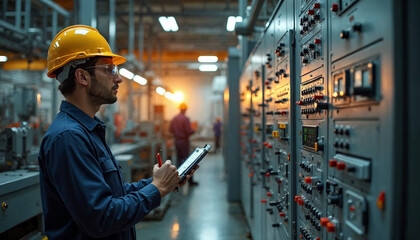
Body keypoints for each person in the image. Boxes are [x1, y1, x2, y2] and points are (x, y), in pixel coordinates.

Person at [38, 25, 196, 240]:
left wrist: (159, 182)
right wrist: (156, 190)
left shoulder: (88, 130)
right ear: (82, 77)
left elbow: (115, 194)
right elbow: (101, 218)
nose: (118, 78)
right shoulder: (69, 138)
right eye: (109, 70)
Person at [169, 103, 197, 185]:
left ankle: (178, 180)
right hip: (184, 141)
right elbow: (188, 131)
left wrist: (177, 133)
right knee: (188, 161)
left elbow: (170, 130)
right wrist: (194, 130)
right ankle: (190, 181)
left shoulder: (174, 118)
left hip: (177, 141)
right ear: (185, 110)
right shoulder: (185, 119)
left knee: (179, 160)